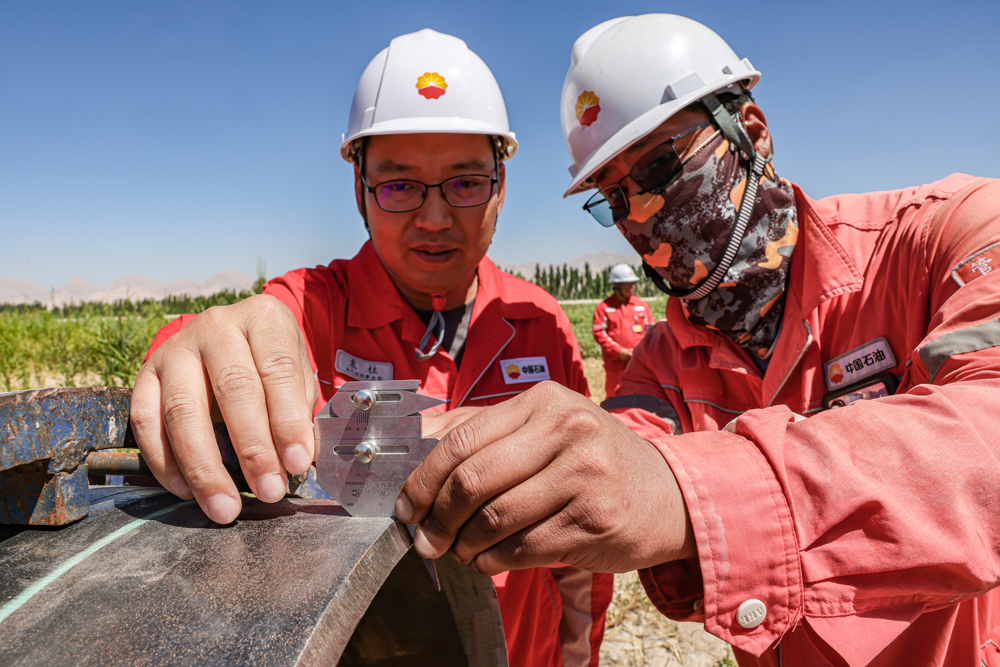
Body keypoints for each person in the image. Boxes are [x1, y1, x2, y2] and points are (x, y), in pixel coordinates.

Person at [392, 14, 1000, 667]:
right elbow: (625, 453)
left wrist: (687, 490)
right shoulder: (664, 362)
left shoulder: (944, 239)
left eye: (659, 170)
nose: (638, 216)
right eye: (612, 197)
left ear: (753, 135)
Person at [131, 29, 612, 667]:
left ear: (502, 184)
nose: (435, 218)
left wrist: (578, 655)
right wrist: (191, 350)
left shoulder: (541, 322)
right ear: (359, 188)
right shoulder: (318, 308)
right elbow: (240, 337)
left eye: (465, 182)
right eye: (400, 185)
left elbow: (579, 551)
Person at [591, 263, 651, 397]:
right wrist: (619, 351)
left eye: (633, 283)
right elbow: (599, 333)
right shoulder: (604, 307)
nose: (633, 287)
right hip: (615, 366)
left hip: (639, 364)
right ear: (616, 286)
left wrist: (640, 351)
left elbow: (651, 331)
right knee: (615, 400)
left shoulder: (641, 306)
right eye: (628, 284)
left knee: (640, 400)